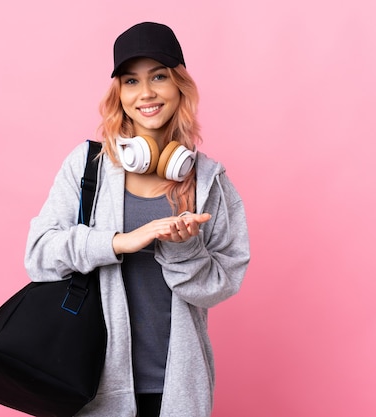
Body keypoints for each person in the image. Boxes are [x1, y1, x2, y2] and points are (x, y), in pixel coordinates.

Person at [25, 22, 250, 417]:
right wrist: (116, 242)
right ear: (120, 94)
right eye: (131, 81)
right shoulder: (87, 166)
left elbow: (222, 284)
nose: (145, 93)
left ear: (180, 85)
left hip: (176, 389)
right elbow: (39, 255)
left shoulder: (209, 180)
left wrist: (184, 249)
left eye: (158, 76)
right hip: (92, 384)